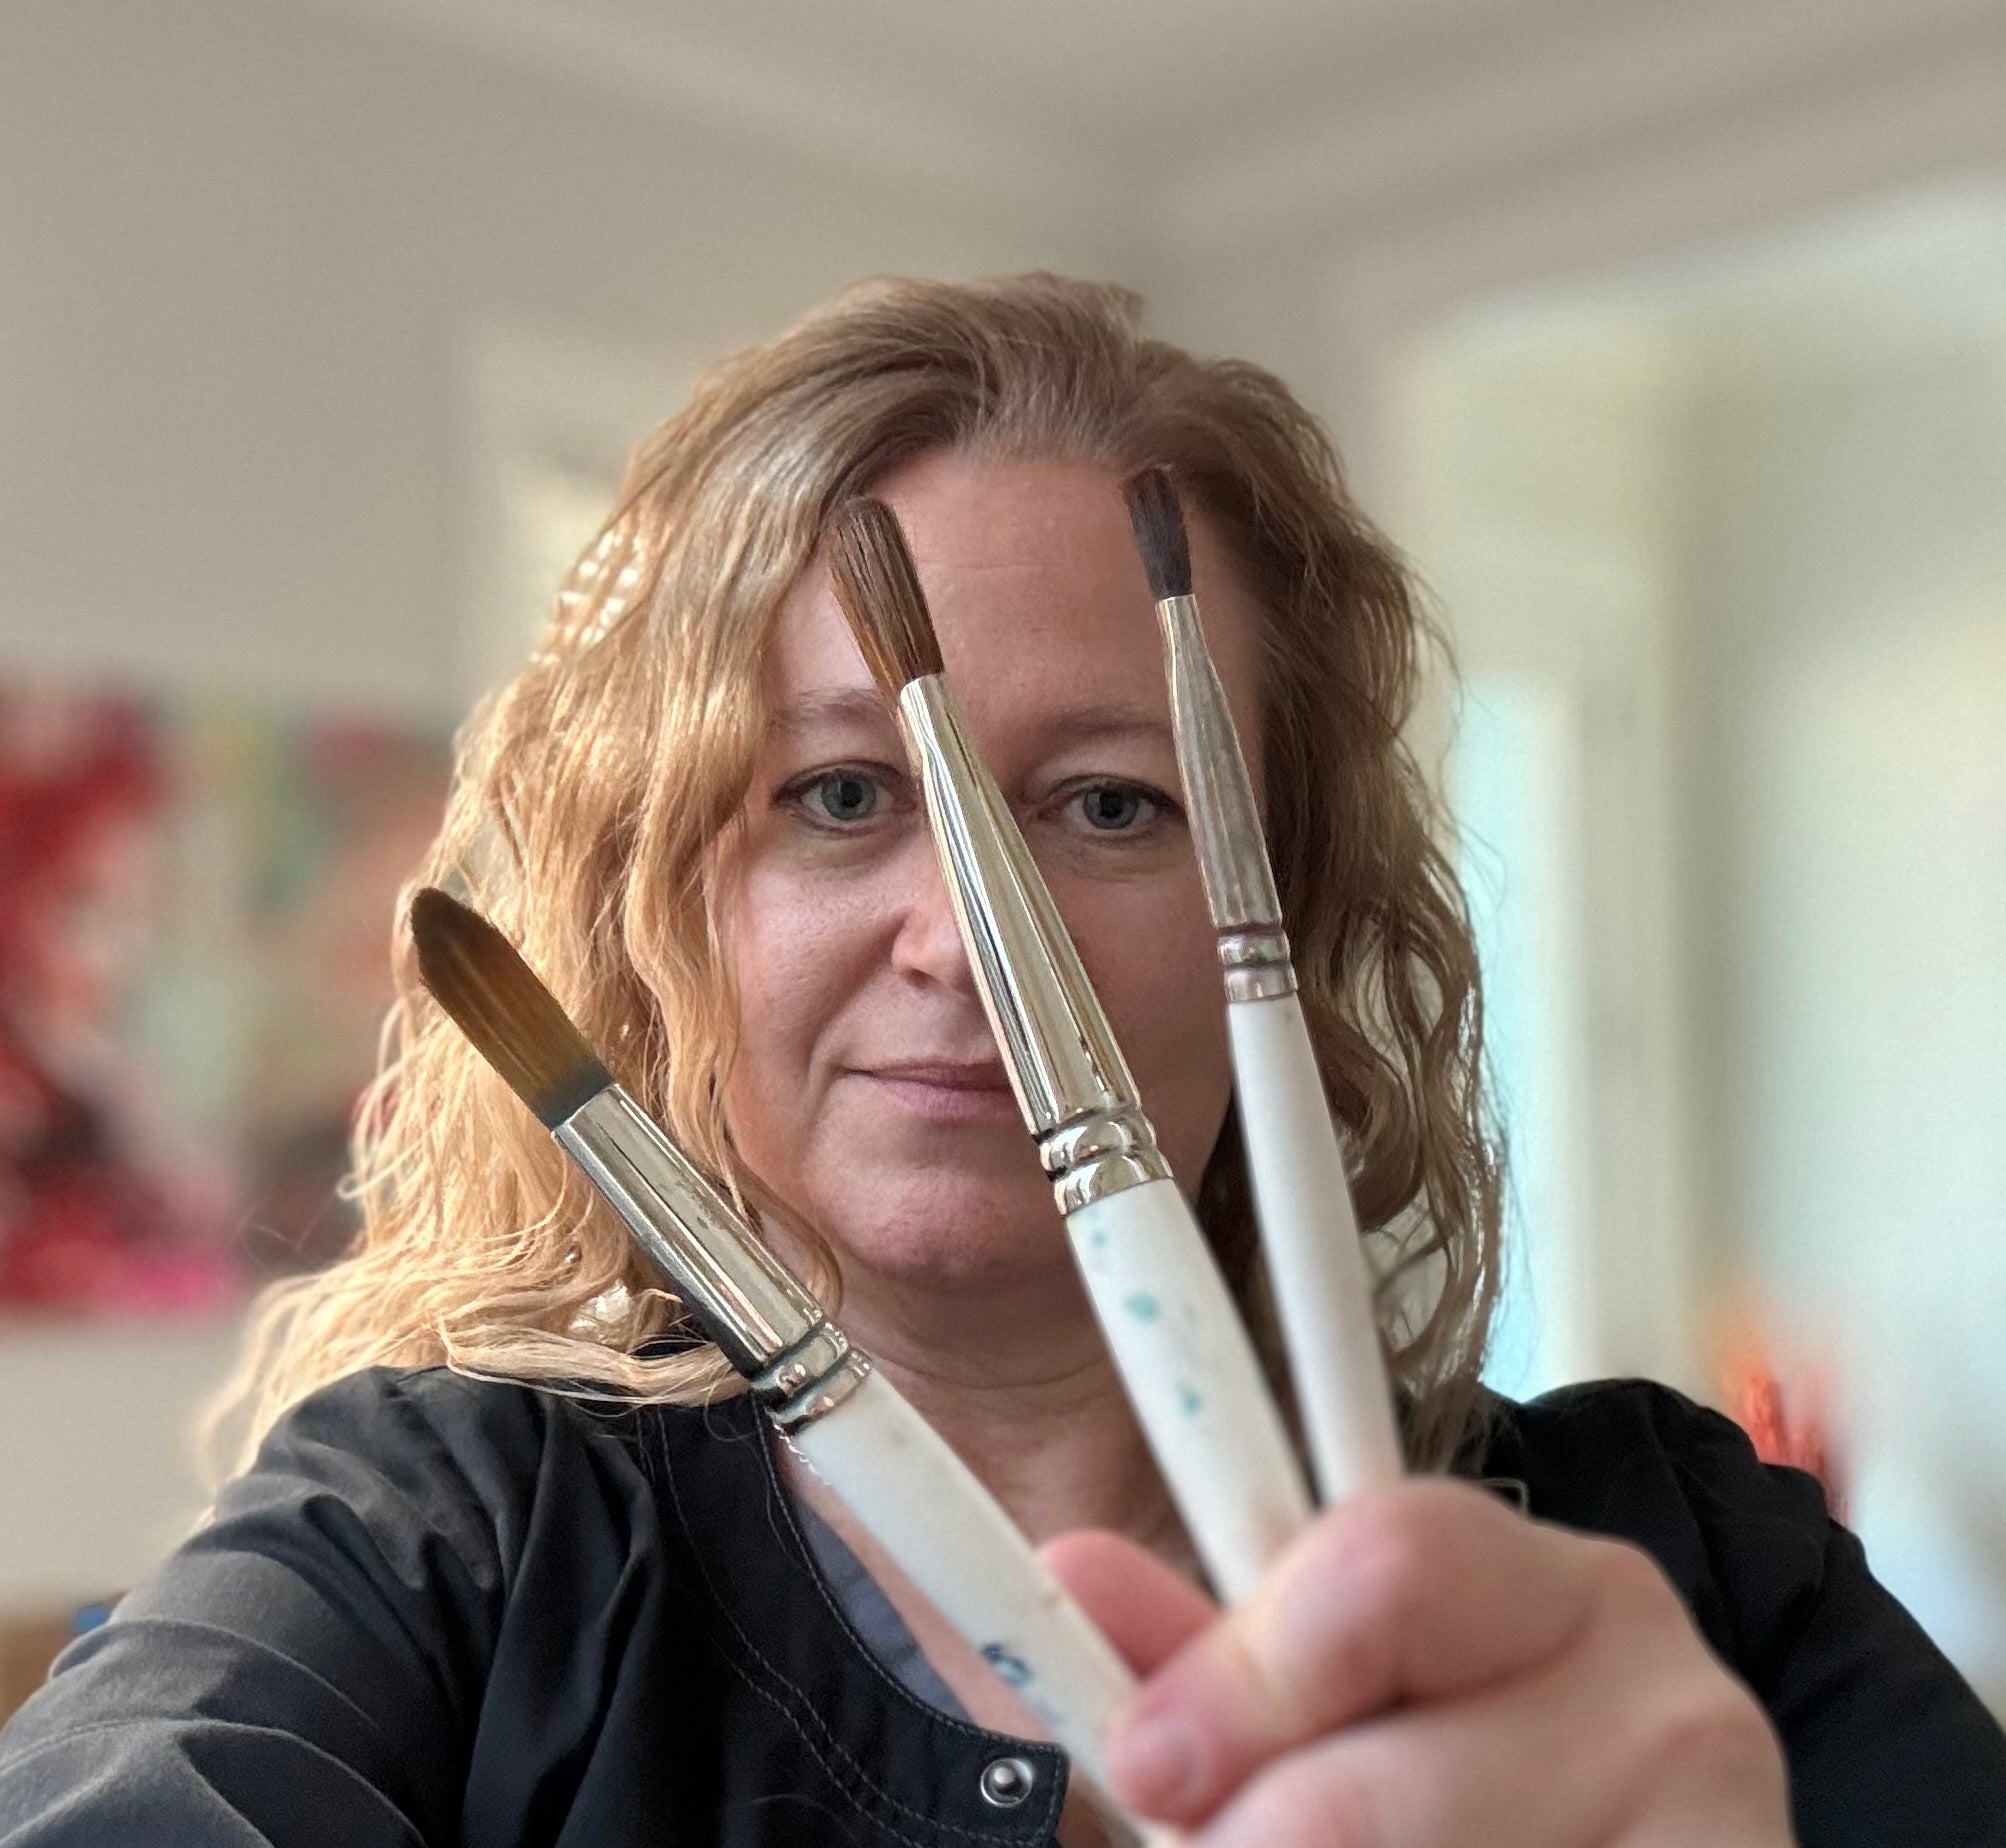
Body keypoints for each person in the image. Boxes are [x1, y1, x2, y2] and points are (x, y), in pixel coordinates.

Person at [1, 274, 2000, 1846]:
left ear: (1289, 919)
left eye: (1113, 806)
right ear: (660, 905)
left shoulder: (1689, 1558)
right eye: (841, 794)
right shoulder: (431, 1547)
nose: (966, 938)